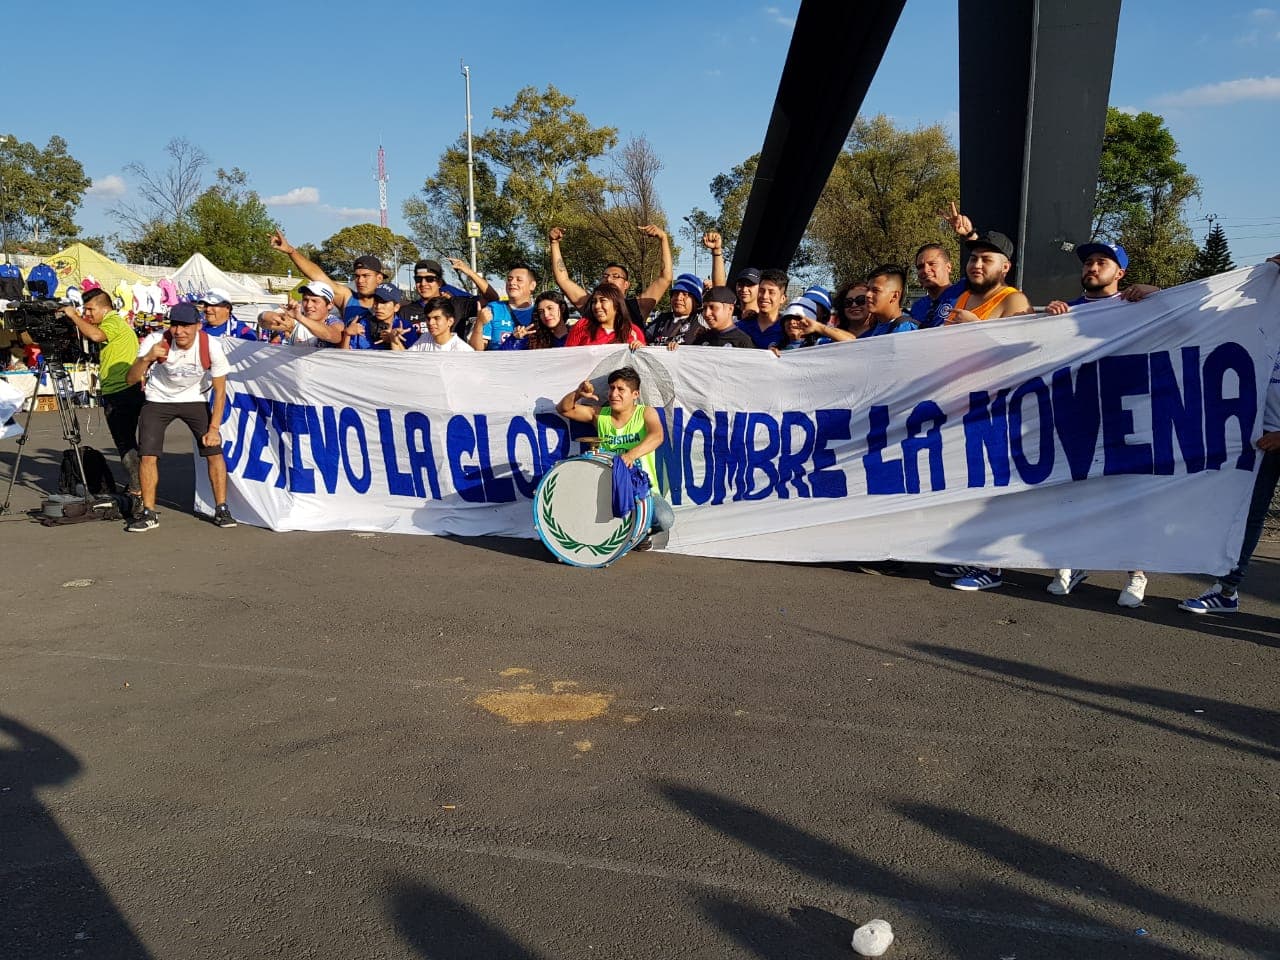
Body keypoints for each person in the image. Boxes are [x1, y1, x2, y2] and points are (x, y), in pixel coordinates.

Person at [1041, 241, 1161, 607]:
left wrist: (1157, 292)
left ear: (1120, 272)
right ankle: (1071, 562)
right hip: (1077, 416)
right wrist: (1046, 322)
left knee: (1128, 498)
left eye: (1102, 262)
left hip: (1127, 416)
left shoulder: (1137, 304)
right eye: (1088, 262)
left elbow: (1189, 317)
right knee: (1070, 495)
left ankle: (1136, 572)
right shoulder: (1067, 310)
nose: (1092, 267)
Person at [1178, 253, 1280, 614]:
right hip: (1261, 438)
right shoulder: (1261, 312)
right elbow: (1202, 313)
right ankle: (1226, 591)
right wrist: (1154, 295)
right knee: (1246, 517)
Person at [124, 303, 235, 531]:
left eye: (186, 326)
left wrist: (214, 429)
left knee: (214, 452)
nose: (179, 331)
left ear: (198, 326)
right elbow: (130, 379)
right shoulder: (156, 340)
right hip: (158, 399)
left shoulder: (210, 345)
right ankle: (148, 512)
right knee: (148, 455)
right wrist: (146, 358)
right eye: (175, 325)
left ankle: (222, 509)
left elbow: (220, 391)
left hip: (195, 398)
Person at [556, 365, 673, 549]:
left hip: (641, 489)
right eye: (611, 388)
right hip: (608, 487)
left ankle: (640, 534)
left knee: (664, 519)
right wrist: (578, 394)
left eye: (620, 389)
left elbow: (657, 436)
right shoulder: (599, 414)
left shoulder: (645, 413)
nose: (613, 394)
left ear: (635, 394)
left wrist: (630, 455)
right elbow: (564, 409)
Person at [62, 288, 143, 506]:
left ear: (105, 308)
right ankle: (138, 485)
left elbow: (96, 335)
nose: (88, 314)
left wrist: (74, 316)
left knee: (125, 443)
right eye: (85, 310)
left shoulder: (112, 322)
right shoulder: (116, 323)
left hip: (121, 391)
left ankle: (137, 489)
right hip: (123, 390)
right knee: (128, 441)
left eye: (91, 309)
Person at [548, 224, 673, 326]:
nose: (608, 279)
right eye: (605, 276)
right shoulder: (591, 305)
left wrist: (663, 238)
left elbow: (665, 278)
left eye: (615, 276)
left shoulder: (638, 307)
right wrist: (554, 244)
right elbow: (563, 280)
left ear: (626, 284)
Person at [270, 229, 385, 333]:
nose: (360, 280)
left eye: (366, 276)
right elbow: (317, 275)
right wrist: (291, 251)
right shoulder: (347, 297)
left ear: (379, 278)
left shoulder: (390, 302)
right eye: (357, 276)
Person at [943, 231, 1033, 325]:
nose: (977, 265)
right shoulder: (964, 297)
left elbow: (1022, 334)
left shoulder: (1014, 301)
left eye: (986, 260)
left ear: (1005, 267)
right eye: (973, 259)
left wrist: (974, 325)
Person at [469, 262, 539, 351]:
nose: (512, 283)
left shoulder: (540, 312)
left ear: (532, 285)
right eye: (509, 279)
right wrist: (479, 323)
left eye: (519, 280)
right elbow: (476, 350)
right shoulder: (493, 309)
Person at [257, 281, 344, 347]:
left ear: (330, 305)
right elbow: (263, 322)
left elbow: (333, 336)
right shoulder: (296, 321)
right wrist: (266, 316)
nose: (309, 305)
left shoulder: (334, 322)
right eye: (305, 300)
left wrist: (301, 318)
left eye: (315, 301)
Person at [666, 286, 756, 349]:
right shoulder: (702, 338)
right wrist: (678, 350)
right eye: (704, 308)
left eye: (713, 308)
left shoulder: (743, 342)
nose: (707, 313)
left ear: (730, 309)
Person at [565, 284, 647, 347]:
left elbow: (642, 361)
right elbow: (568, 356)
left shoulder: (633, 331)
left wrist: (640, 349)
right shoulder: (582, 326)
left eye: (603, 300)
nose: (597, 306)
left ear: (617, 305)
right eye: (594, 301)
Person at [909, 243, 967, 329]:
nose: (925, 270)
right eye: (920, 267)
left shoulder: (964, 290)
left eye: (932, 264)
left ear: (948, 267)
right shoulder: (917, 307)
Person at [770, 298, 856, 354]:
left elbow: (852, 342)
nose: (792, 322)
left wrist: (818, 327)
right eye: (788, 318)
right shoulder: (776, 345)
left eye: (798, 318)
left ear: (810, 322)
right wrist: (770, 356)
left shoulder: (820, 344)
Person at [391, 296, 474, 352]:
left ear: (450, 321)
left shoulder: (462, 350)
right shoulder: (425, 338)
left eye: (436, 318)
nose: (431, 323)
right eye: (428, 318)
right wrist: (394, 340)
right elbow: (407, 362)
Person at [498, 291, 572, 349]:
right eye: (541, 311)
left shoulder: (576, 334)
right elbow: (502, 357)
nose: (546, 315)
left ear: (562, 308)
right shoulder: (534, 339)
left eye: (550, 308)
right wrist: (515, 339)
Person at [645, 273, 704, 345]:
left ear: (696, 301)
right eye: (675, 293)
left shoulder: (700, 320)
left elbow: (716, 296)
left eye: (685, 294)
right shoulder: (661, 319)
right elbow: (643, 337)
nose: (678, 298)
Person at [860, 266, 919, 337]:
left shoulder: (905, 331)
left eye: (875, 290)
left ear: (894, 296)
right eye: (867, 289)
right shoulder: (878, 325)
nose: (867, 295)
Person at [736, 268, 788, 348]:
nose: (764, 296)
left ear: (782, 298)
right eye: (761, 291)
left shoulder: (787, 330)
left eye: (771, 292)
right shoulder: (740, 327)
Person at [344, 284, 406, 350]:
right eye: (376, 301)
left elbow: (407, 356)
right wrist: (347, 335)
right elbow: (344, 354)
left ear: (396, 307)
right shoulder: (361, 324)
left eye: (384, 302)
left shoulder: (406, 328)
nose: (378, 306)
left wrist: (394, 341)